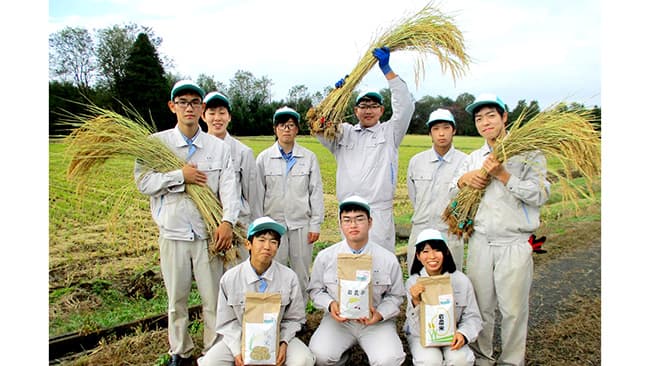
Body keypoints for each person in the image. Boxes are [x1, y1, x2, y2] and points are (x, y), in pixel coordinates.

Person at [134, 80, 240, 366]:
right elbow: (143, 183)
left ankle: (214, 352)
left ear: (202, 108)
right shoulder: (157, 145)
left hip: (209, 237)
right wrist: (179, 176)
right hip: (174, 234)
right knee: (176, 300)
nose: (189, 107)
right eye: (183, 102)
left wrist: (228, 221)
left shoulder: (217, 148)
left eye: (195, 102)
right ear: (172, 107)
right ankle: (180, 352)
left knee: (213, 299)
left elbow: (231, 188)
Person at [452, 93, 550, 365]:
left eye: (491, 116)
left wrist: (503, 176)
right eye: (479, 118)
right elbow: (451, 193)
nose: (485, 122)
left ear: (504, 117)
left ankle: (511, 360)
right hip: (480, 242)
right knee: (481, 307)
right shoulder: (473, 158)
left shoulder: (528, 153)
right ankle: (483, 357)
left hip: (514, 243)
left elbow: (540, 194)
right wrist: (463, 180)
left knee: (513, 310)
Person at [315, 46, 415, 252]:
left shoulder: (390, 133)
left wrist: (387, 70)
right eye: (363, 106)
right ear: (355, 110)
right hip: (349, 213)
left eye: (373, 106)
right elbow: (318, 125)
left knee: (380, 266)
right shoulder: (343, 133)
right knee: (350, 264)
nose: (368, 110)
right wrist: (337, 94)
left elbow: (405, 106)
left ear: (381, 110)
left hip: (378, 213)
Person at [197, 216, 315, 366]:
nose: (267, 246)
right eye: (261, 240)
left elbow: (294, 318)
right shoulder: (230, 279)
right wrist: (238, 350)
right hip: (240, 339)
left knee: (303, 360)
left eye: (273, 242)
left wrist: (283, 342)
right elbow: (227, 322)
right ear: (248, 244)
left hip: (277, 336)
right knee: (210, 362)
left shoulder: (288, 277)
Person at [307, 195, 406, 365]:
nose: (353, 225)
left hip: (375, 323)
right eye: (347, 220)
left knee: (390, 359)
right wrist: (331, 306)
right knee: (319, 354)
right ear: (340, 224)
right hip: (339, 322)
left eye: (359, 219)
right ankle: (341, 359)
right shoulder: (326, 257)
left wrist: (380, 314)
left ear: (370, 222)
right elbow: (316, 291)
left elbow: (396, 296)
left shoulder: (387, 258)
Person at [256, 106, 324, 303]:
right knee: (273, 271)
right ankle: (275, 313)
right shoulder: (264, 159)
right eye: (282, 125)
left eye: (291, 125)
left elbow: (316, 192)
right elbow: (258, 195)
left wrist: (315, 224)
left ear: (296, 130)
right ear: (276, 129)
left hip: (301, 225)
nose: (287, 129)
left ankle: (299, 316)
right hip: (272, 226)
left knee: (301, 272)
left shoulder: (308, 158)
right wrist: (260, 226)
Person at [404, 228, 482, 366]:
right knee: (430, 361)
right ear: (418, 256)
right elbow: (414, 327)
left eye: (437, 250)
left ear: (445, 252)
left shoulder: (461, 281)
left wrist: (463, 334)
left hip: (452, 333)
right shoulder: (413, 282)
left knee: (460, 359)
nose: (432, 256)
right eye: (425, 251)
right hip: (421, 335)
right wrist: (416, 301)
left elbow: (473, 316)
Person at [202, 90, 263, 264]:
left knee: (238, 278)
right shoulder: (196, 152)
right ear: (203, 116)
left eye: (222, 113)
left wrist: (255, 230)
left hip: (238, 228)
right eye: (212, 113)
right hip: (208, 227)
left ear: (229, 117)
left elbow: (253, 196)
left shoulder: (243, 152)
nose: (217, 118)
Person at [406, 108, 468, 271]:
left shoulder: (466, 162)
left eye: (446, 128)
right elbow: (414, 196)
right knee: (417, 281)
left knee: (450, 283)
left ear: (453, 130)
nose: (441, 134)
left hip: (450, 233)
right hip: (420, 229)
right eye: (436, 129)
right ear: (430, 133)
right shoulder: (416, 162)